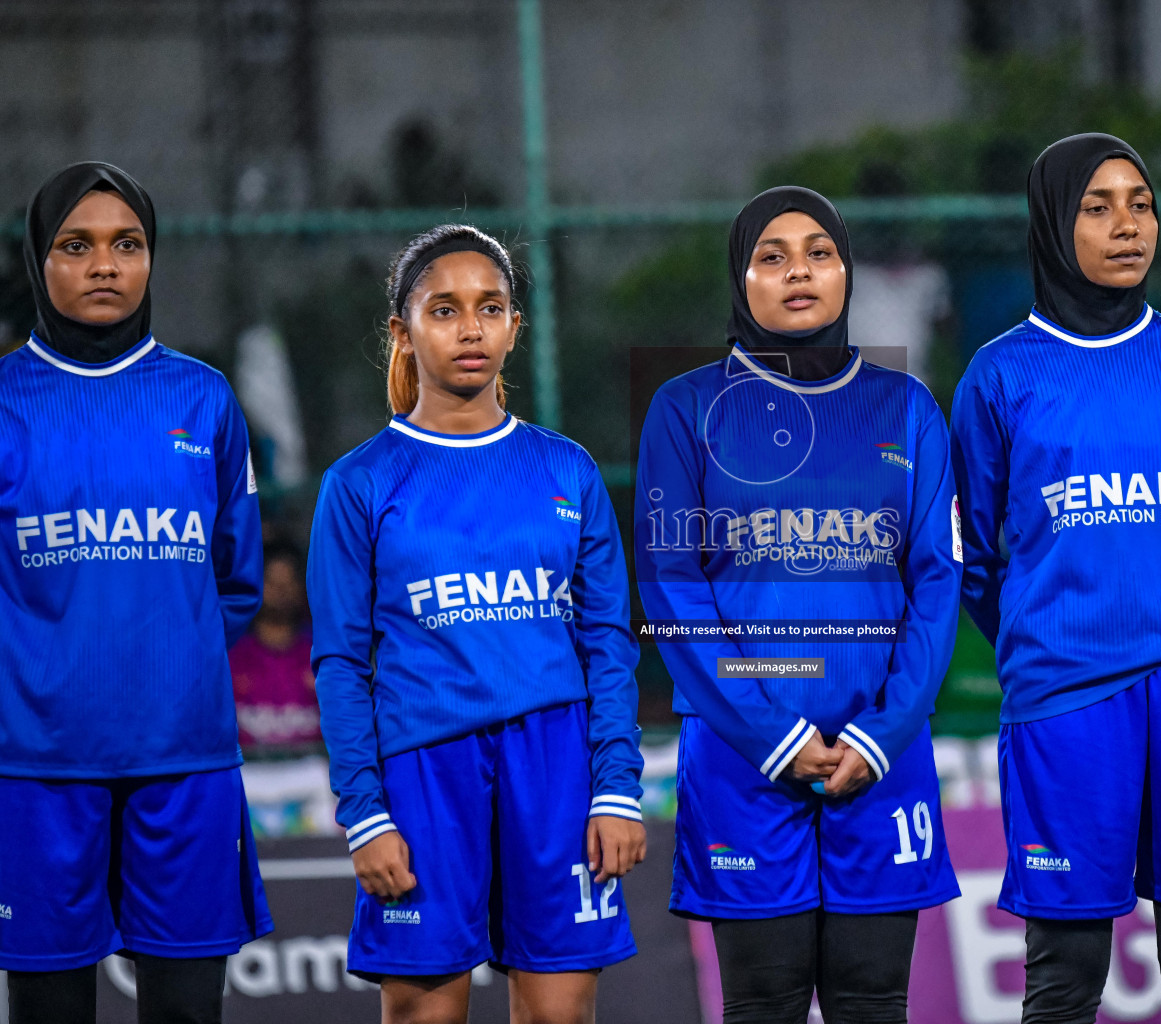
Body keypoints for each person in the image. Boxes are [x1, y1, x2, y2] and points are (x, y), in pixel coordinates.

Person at [950, 134, 1161, 1024]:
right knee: (1066, 980)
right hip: (1067, 696)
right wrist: (1049, 629)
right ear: (1055, 223)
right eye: (1097, 206)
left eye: (1141, 203)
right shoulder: (1000, 373)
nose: (1126, 225)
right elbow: (975, 557)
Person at [635, 186, 961, 1024]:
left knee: (873, 1004)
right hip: (746, 763)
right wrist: (772, 736)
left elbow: (936, 583)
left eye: (819, 252)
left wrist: (880, 734)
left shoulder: (907, 408)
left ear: (847, 271)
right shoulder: (685, 408)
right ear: (739, 280)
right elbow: (674, 587)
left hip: (879, 763)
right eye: (771, 257)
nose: (799, 273)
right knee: (761, 1004)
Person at [308, 224, 644, 1024]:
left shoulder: (567, 469)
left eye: (490, 308)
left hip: (557, 767)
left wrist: (618, 789)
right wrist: (364, 811)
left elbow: (608, 644)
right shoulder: (359, 484)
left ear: (515, 327)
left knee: (559, 1014)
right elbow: (341, 663)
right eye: (445, 309)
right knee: (426, 1014)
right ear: (402, 331)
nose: (470, 329)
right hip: (424, 771)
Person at [0, 162, 270, 1024]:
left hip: (185, 764)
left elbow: (236, 580)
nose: (105, 265)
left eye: (128, 244)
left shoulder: (205, 397)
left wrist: (166, 663)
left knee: (189, 1011)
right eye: (76, 246)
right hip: (35, 770)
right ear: (38, 260)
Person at [229, 538, 320, 752]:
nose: (281, 591)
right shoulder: (230, 655)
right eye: (272, 582)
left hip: (316, 773)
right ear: (256, 585)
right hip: (249, 773)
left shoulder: (324, 654)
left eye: (288, 582)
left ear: (302, 586)